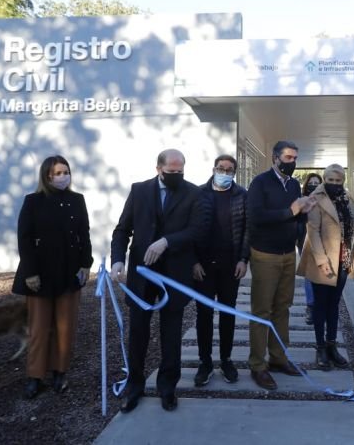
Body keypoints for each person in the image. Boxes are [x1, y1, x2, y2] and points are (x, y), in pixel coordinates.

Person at [110, 149, 210, 413]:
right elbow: (122, 230)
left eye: (180, 171)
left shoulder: (193, 193)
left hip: (174, 273)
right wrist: (118, 260)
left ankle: (168, 388)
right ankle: (134, 387)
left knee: (171, 334)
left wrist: (167, 241)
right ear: (159, 169)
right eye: (171, 171)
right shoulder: (139, 190)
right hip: (142, 274)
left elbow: (198, 230)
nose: (176, 175)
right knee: (138, 333)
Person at [13, 155, 93, 399]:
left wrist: (85, 264)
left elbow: (84, 234)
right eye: (57, 173)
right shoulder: (33, 201)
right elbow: (24, 238)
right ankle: (35, 377)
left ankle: (60, 372)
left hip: (69, 273)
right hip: (40, 274)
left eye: (66, 172)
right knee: (38, 329)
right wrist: (30, 272)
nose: (63, 177)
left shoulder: (77, 200)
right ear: (47, 176)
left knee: (65, 328)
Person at [246, 140, 316, 390]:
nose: (292, 162)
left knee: (283, 308)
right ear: (275, 158)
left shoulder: (294, 184)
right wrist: (291, 210)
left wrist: (304, 210)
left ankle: (278, 358)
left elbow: (296, 217)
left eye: (295, 157)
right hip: (265, 255)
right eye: (288, 158)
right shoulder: (260, 183)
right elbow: (255, 217)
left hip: (288, 255)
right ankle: (257, 364)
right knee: (262, 310)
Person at [192, 155, 249, 387]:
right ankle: (205, 362)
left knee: (228, 313)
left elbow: (247, 230)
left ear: (234, 173)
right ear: (213, 169)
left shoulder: (242, 195)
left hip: (230, 265)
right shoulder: (198, 194)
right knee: (203, 314)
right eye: (221, 168)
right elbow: (190, 229)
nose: (224, 172)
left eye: (229, 170)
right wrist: (193, 262)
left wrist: (244, 259)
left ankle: (226, 359)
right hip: (203, 267)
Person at [298, 164, 354, 370]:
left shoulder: (347, 199)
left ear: (342, 181)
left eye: (337, 181)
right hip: (323, 260)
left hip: (342, 259)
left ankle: (332, 345)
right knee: (320, 306)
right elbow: (312, 231)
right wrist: (322, 261)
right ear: (325, 180)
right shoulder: (316, 197)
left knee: (334, 305)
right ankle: (320, 348)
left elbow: (352, 229)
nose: (333, 184)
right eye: (330, 180)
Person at [297, 173, 322, 325]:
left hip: (322, 242)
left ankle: (320, 305)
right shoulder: (302, 201)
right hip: (304, 241)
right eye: (311, 182)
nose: (313, 185)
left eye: (317, 183)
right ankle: (311, 306)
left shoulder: (326, 200)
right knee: (309, 275)